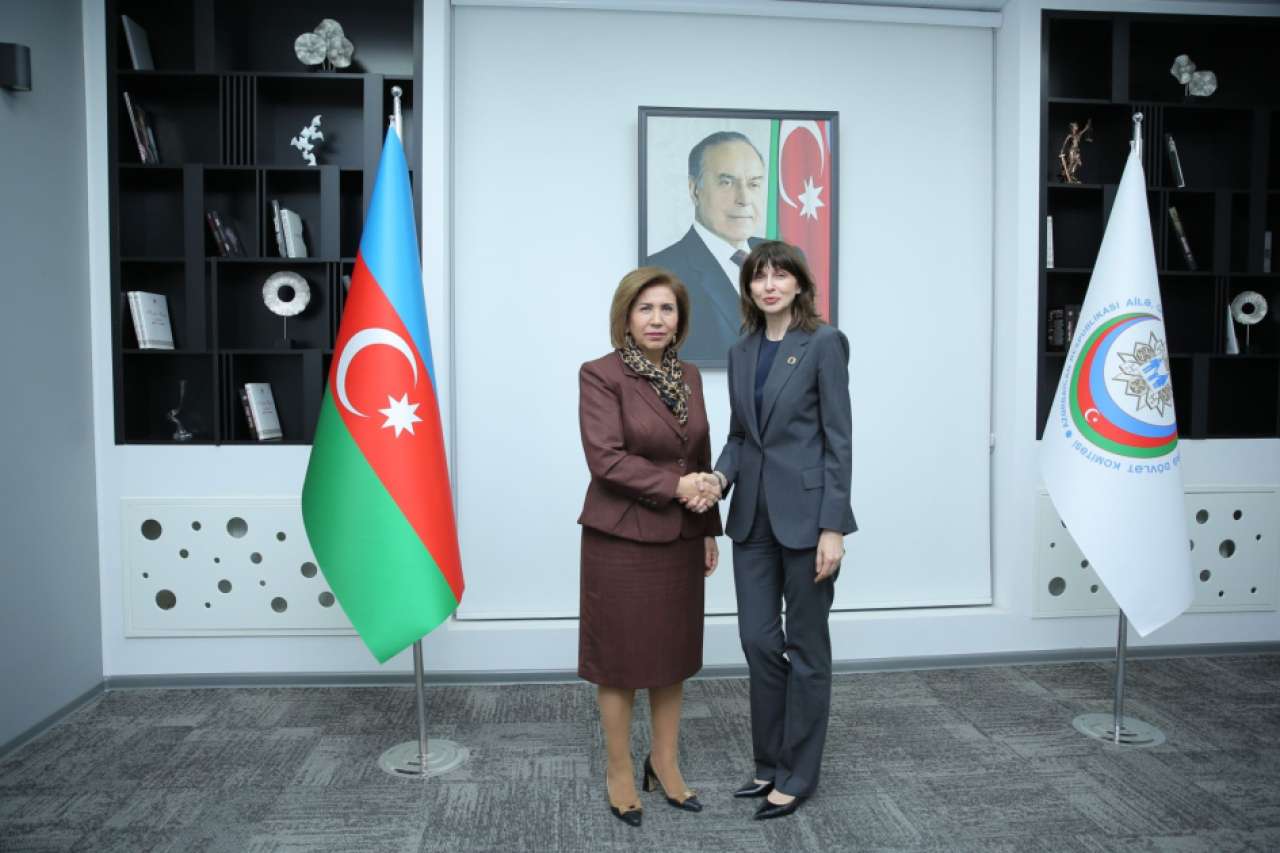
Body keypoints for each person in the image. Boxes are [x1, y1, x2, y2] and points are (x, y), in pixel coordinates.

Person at [711, 240, 856, 820]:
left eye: (779, 275)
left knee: (807, 646)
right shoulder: (741, 351)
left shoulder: (823, 343)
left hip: (808, 521)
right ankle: (769, 761)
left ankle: (798, 773)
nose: (769, 285)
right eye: (759, 277)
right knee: (758, 640)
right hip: (752, 519)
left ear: (799, 283)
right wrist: (719, 478)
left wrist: (833, 527)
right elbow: (740, 437)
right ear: (748, 288)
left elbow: (838, 441)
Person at [577, 267, 724, 828]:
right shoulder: (600, 374)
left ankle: (664, 762)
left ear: (680, 319)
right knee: (619, 662)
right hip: (621, 537)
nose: (657, 319)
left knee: (672, 657)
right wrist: (677, 487)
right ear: (626, 317)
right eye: (645, 309)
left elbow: (700, 454)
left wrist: (707, 528)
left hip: (681, 535)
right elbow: (606, 459)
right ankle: (619, 770)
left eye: (667, 309)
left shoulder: (689, 375)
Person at [645, 131, 767, 363]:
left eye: (753, 184)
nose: (744, 199)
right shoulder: (659, 273)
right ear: (694, 190)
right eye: (726, 183)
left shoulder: (788, 259)